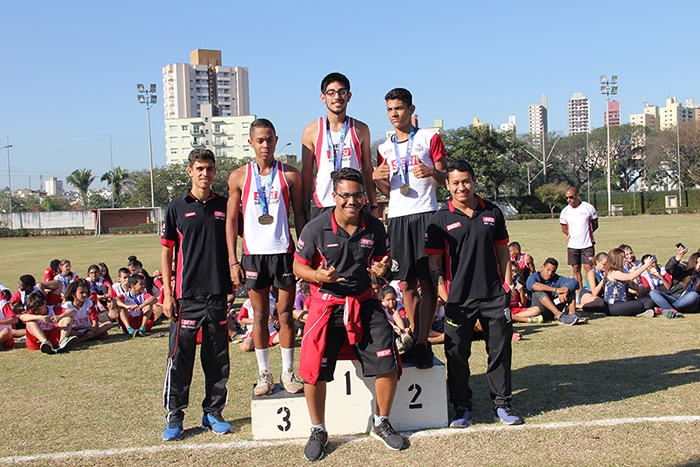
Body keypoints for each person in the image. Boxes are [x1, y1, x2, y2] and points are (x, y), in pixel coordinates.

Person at [293, 167, 407, 461]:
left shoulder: (375, 226)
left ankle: (381, 422)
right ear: (335, 196)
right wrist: (319, 275)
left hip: (363, 301)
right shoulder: (316, 228)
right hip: (326, 303)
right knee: (313, 368)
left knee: (387, 359)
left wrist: (382, 267)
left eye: (357, 195)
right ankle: (318, 429)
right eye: (345, 195)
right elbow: (298, 267)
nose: (352, 201)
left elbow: (383, 258)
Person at [425, 159, 522, 429]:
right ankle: (462, 407)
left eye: (466, 181)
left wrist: (506, 286)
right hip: (459, 299)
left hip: (494, 296)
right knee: (456, 355)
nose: (461, 187)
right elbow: (434, 263)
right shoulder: (439, 219)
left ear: (474, 181)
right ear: (447, 184)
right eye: (455, 182)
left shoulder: (492, 212)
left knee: (500, 352)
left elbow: (503, 251)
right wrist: (444, 293)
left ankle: (502, 404)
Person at [226, 118, 306, 396]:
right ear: (250, 142)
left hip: (283, 254)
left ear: (276, 140)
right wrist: (233, 261)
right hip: (253, 256)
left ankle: (287, 371)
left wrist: (303, 255)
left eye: (270, 139)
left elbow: (302, 217)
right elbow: (230, 221)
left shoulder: (291, 175)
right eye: (259, 140)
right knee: (260, 315)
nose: (265, 145)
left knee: (285, 315)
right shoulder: (239, 176)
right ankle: (264, 373)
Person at [160, 148, 233, 441]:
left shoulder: (225, 206)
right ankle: (175, 416)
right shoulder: (176, 207)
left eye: (210, 168)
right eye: (200, 168)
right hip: (186, 297)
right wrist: (167, 293)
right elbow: (166, 252)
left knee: (217, 358)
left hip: (217, 295)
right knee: (180, 359)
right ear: (190, 171)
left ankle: (212, 413)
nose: (206, 174)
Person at [372, 88, 447, 369]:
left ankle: (422, 342)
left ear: (411, 109)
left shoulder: (429, 137)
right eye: (390, 109)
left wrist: (432, 172)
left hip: (426, 214)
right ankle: (415, 337)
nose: (395, 114)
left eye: (400, 108)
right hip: (398, 218)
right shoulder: (384, 147)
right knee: (405, 283)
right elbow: (385, 187)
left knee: (428, 282)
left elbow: (444, 177)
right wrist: (374, 177)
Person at [301, 72, 378, 220]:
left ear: (349, 96)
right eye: (331, 92)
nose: (337, 97)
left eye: (342, 92)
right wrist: (304, 209)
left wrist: (374, 205)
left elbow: (367, 169)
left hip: (354, 202)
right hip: (323, 203)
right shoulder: (311, 131)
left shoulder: (360, 129)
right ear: (323, 97)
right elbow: (307, 173)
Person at [559, 186, 598, 291]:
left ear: (578, 196)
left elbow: (595, 224)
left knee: (589, 268)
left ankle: (592, 290)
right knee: (576, 269)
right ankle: (580, 292)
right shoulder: (565, 211)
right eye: (567, 198)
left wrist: (586, 234)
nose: (569, 200)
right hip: (572, 245)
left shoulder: (588, 207)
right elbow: (564, 228)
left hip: (587, 244)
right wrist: (573, 235)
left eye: (571, 197)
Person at [526, 258, 585, 325]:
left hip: (554, 305)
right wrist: (556, 290)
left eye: (553, 271)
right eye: (548, 270)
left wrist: (565, 290)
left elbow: (575, 282)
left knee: (569, 288)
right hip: (539, 310)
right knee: (538, 291)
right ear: (542, 267)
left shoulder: (556, 279)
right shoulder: (534, 276)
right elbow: (532, 285)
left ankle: (572, 314)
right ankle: (559, 315)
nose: (550, 273)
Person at [603, 249, 656, 317]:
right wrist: (645, 266)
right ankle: (640, 312)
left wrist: (634, 273)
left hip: (624, 303)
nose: (625, 259)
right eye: (623, 258)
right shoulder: (613, 272)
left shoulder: (622, 270)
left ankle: (640, 312)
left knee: (648, 301)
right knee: (638, 304)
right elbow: (630, 277)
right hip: (613, 306)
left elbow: (635, 287)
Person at [649, 247, 700, 315]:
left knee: (693, 295)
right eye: (697, 262)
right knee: (653, 293)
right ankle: (672, 310)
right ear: (692, 261)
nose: (699, 265)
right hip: (674, 298)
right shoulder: (684, 268)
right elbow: (669, 268)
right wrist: (679, 256)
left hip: (690, 304)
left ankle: (666, 309)